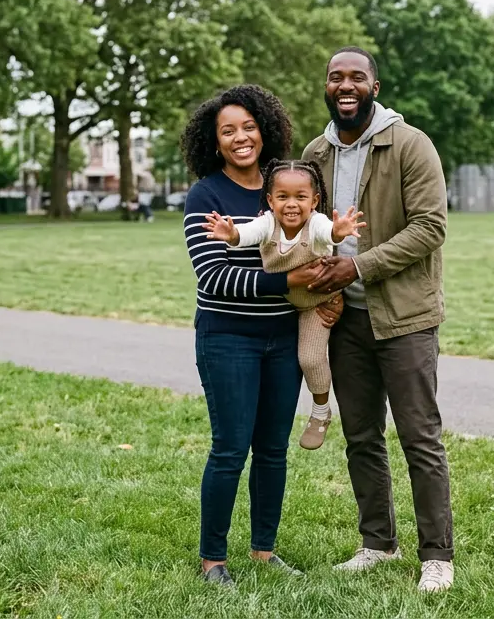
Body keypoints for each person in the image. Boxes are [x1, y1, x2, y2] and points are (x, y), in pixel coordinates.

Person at [302, 46, 455, 593]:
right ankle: (378, 544)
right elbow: (304, 224)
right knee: (362, 436)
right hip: (344, 321)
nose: (346, 86)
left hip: (405, 317)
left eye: (356, 77)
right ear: (326, 86)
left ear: (375, 85)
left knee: (420, 437)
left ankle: (437, 555)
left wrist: (358, 266)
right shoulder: (315, 152)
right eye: (336, 77)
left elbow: (430, 227)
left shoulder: (410, 144)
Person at [179, 84, 342, 587]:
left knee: (272, 449)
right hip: (228, 338)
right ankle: (213, 560)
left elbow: (317, 247)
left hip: (283, 339)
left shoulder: (287, 184)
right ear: (214, 140)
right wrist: (289, 282)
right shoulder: (206, 194)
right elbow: (215, 276)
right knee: (230, 448)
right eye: (227, 130)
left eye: (248, 126)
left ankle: (264, 550)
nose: (240, 137)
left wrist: (326, 290)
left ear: (265, 129)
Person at [201, 159, 365, 450]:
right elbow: (248, 233)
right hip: (288, 305)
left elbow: (327, 233)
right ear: (269, 200)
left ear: (314, 201)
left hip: (317, 305)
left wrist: (338, 232)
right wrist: (232, 235)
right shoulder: (267, 223)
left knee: (311, 359)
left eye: (301, 197)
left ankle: (320, 412)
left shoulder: (315, 223)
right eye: (283, 197)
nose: (292, 205)